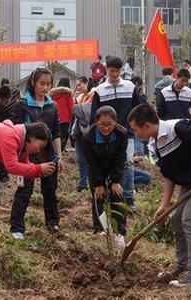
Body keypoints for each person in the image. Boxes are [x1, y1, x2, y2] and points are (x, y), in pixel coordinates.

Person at [128, 103, 191, 287]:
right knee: (176, 218)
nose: (135, 134)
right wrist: (164, 205)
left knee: (189, 218)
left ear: (146, 126)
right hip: (188, 178)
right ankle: (183, 265)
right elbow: (168, 176)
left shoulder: (178, 127)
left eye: (136, 129)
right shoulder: (154, 146)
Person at [10, 67, 63, 239]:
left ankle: (52, 223)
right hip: (27, 155)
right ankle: (17, 228)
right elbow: (16, 132)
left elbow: (56, 133)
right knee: (24, 190)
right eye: (42, 83)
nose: (45, 87)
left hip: (48, 155)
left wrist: (59, 156)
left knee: (50, 191)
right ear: (33, 82)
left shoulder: (52, 106)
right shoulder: (22, 104)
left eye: (48, 84)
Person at [90, 56, 140, 209]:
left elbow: (137, 108)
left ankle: (129, 197)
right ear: (106, 70)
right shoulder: (99, 90)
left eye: (118, 71)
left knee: (128, 162)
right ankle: (111, 195)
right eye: (112, 71)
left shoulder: (130, 87)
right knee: (110, 164)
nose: (115, 74)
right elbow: (95, 114)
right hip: (107, 134)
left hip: (127, 132)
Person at [81, 106, 128, 245]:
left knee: (118, 196)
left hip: (114, 167)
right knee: (98, 197)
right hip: (96, 168)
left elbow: (121, 158)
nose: (106, 128)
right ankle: (100, 229)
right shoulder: (87, 137)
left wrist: (115, 180)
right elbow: (91, 162)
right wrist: (98, 184)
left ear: (115, 123)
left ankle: (119, 232)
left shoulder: (121, 133)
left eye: (110, 125)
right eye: (102, 124)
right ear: (96, 122)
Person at [72, 76, 93, 192]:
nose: (78, 87)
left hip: (89, 132)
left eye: (80, 84)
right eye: (77, 85)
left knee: (89, 158)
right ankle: (83, 182)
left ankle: (90, 182)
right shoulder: (79, 98)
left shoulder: (93, 95)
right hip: (79, 132)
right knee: (81, 159)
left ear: (86, 83)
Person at [49, 77, 74, 152]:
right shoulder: (68, 94)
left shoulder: (52, 94)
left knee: (55, 134)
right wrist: (72, 117)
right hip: (65, 118)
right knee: (63, 135)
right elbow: (71, 107)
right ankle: (61, 149)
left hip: (54, 117)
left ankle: (54, 149)